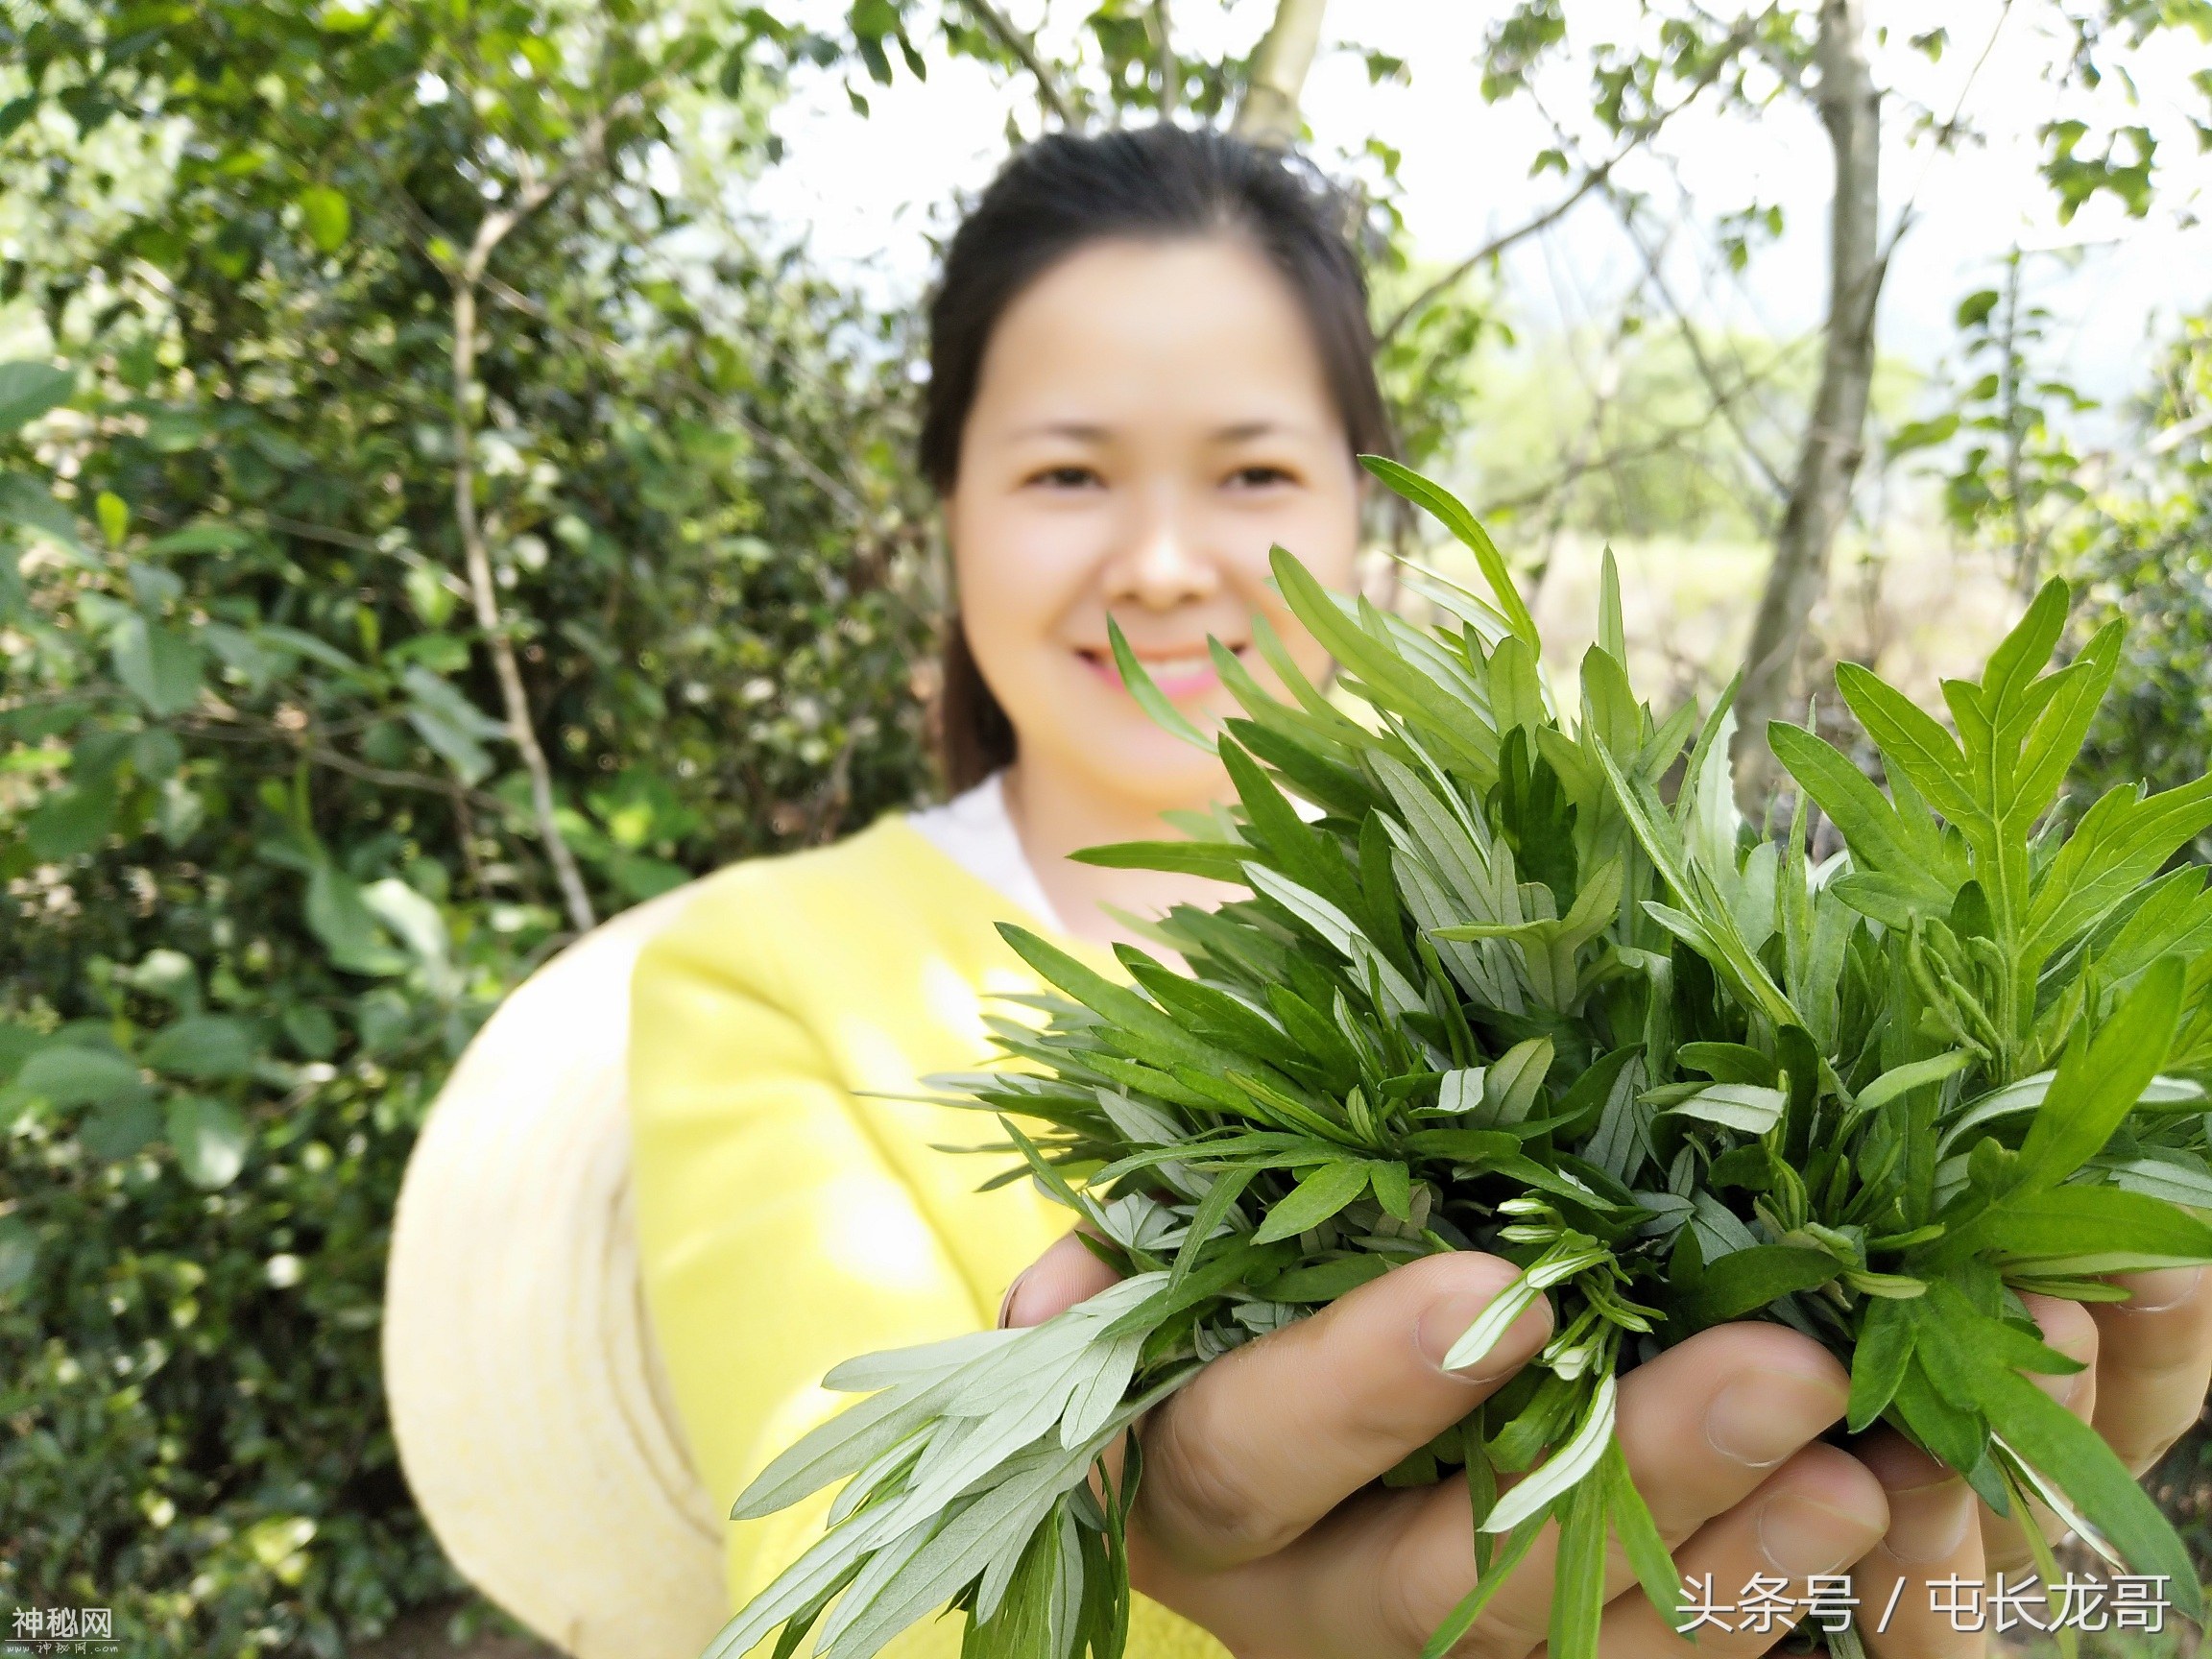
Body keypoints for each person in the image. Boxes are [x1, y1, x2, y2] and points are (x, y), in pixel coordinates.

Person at [624, 124, 2212, 1659]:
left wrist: (1914, 1477)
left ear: (1355, 509)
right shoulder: (752, 971)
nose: (1166, 562)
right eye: (1066, 475)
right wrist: (1206, 1610)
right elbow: (834, 1586)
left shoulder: (1583, 879)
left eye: (1250, 472)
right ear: (946, 504)